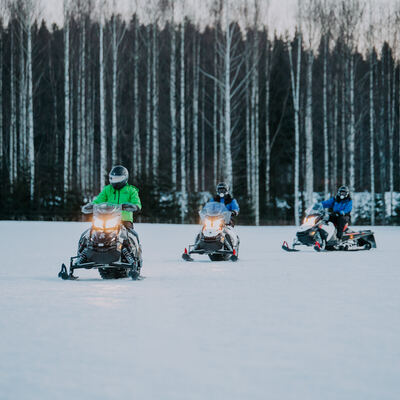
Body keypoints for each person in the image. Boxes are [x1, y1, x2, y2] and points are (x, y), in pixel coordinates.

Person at [93, 165, 142, 235]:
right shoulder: (107, 189)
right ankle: (85, 241)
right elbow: (99, 200)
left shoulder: (131, 190)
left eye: (117, 179)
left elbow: (136, 202)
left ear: (124, 178)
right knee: (93, 232)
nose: (115, 181)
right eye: (113, 178)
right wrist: (92, 205)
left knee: (131, 234)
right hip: (107, 218)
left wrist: (134, 206)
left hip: (124, 219)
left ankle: (133, 242)